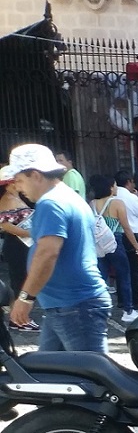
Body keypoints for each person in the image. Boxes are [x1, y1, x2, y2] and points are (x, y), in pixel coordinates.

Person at [1, 144, 111, 350]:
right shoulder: (67, 196)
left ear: (35, 175)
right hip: (66, 305)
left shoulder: (51, 203)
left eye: (19, 180)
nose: (17, 187)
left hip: (75, 305)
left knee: (90, 376)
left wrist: (25, 297)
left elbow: (47, 253)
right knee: (52, 376)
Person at [90, 174, 138, 324]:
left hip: (98, 245)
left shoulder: (92, 204)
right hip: (115, 242)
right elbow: (127, 228)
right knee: (124, 275)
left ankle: (98, 308)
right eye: (114, 186)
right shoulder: (117, 203)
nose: (116, 188)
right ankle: (128, 310)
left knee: (100, 277)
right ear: (109, 187)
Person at [114, 171, 138, 310]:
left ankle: (122, 298)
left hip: (117, 235)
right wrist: (137, 198)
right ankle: (137, 299)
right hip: (132, 234)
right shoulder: (130, 197)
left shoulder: (113, 195)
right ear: (129, 182)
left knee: (122, 269)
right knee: (136, 269)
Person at [0, 179, 34, 319]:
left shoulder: (16, 197)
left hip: (22, 245)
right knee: (20, 282)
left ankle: (20, 316)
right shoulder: (6, 199)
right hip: (16, 245)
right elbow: (5, 225)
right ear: (8, 185)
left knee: (23, 280)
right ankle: (19, 318)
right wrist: (31, 233)